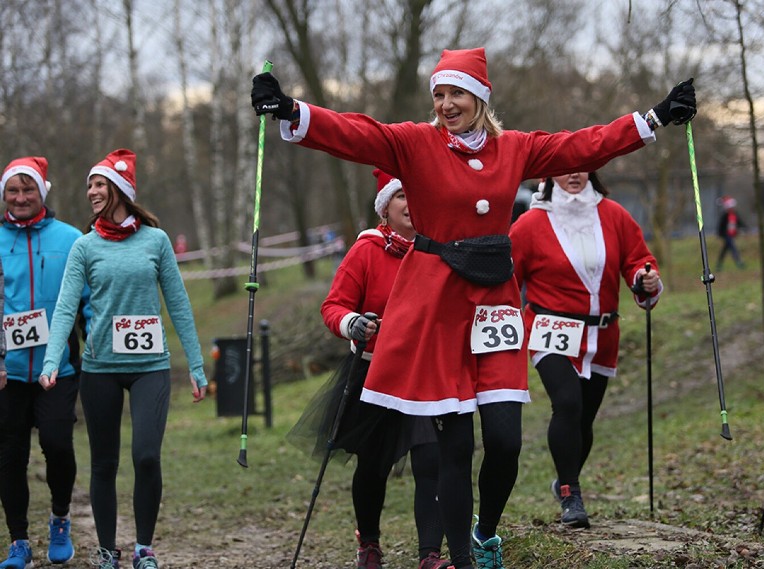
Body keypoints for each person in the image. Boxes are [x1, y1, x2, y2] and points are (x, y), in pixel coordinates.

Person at [251, 47, 696, 569]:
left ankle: (486, 531)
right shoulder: (415, 142)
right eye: (438, 94)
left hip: (494, 307)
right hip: (437, 307)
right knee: (455, 447)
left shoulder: (515, 149)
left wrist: (656, 116)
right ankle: (458, 557)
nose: (445, 104)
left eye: (456, 93)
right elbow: (355, 133)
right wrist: (290, 109)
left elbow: (584, 144)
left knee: (505, 440)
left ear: (480, 97)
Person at [39, 149, 208, 569]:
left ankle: (144, 548)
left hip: (151, 366)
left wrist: (198, 365)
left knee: (147, 456)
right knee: (104, 463)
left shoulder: (157, 241)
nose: (91, 191)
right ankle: (106, 549)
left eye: (98, 184)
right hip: (100, 370)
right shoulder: (84, 247)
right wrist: (49, 361)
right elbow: (63, 309)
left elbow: (179, 305)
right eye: (89, 185)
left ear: (120, 190)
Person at [289, 169, 447, 568]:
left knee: (431, 457)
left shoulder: (438, 249)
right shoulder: (367, 250)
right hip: (374, 372)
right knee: (374, 464)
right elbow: (333, 306)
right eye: (401, 198)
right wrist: (352, 323)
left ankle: (429, 553)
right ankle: (369, 541)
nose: (410, 205)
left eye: (416, 195)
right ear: (385, 209)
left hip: (424, 373)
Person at [509, 172, 661, 528]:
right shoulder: (530, 224)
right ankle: (570, 493)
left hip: (601, 334)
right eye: (564, 168)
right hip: (550, 329)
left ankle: (565, 477)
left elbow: (638, 260)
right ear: (549, 174)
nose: (574, 175)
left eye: (581, 167)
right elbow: (508, 281)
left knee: (584, 418)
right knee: (568, 403)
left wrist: (644, 279)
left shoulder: (614, 215)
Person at [0, 156, 91, 568]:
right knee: (10, 456)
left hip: (59, 369)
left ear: (42, 192)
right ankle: (18, 540)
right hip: (7, 374)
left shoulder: (71, 239)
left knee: (57, 445)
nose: (20, 198)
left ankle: (59, 519)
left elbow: (90, 302)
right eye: (13, 191)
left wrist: (99, 348)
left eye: (28, 190)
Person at [716, 195, 746, 269]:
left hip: (731, 234)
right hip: (726, 235)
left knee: (725, 249)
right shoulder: (725, 215)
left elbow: (739, 222)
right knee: (733, 248)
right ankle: (739, 262)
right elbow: (721, 225)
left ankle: (719, 264)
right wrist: (720, 234)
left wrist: (745, 227)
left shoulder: (734, 214)